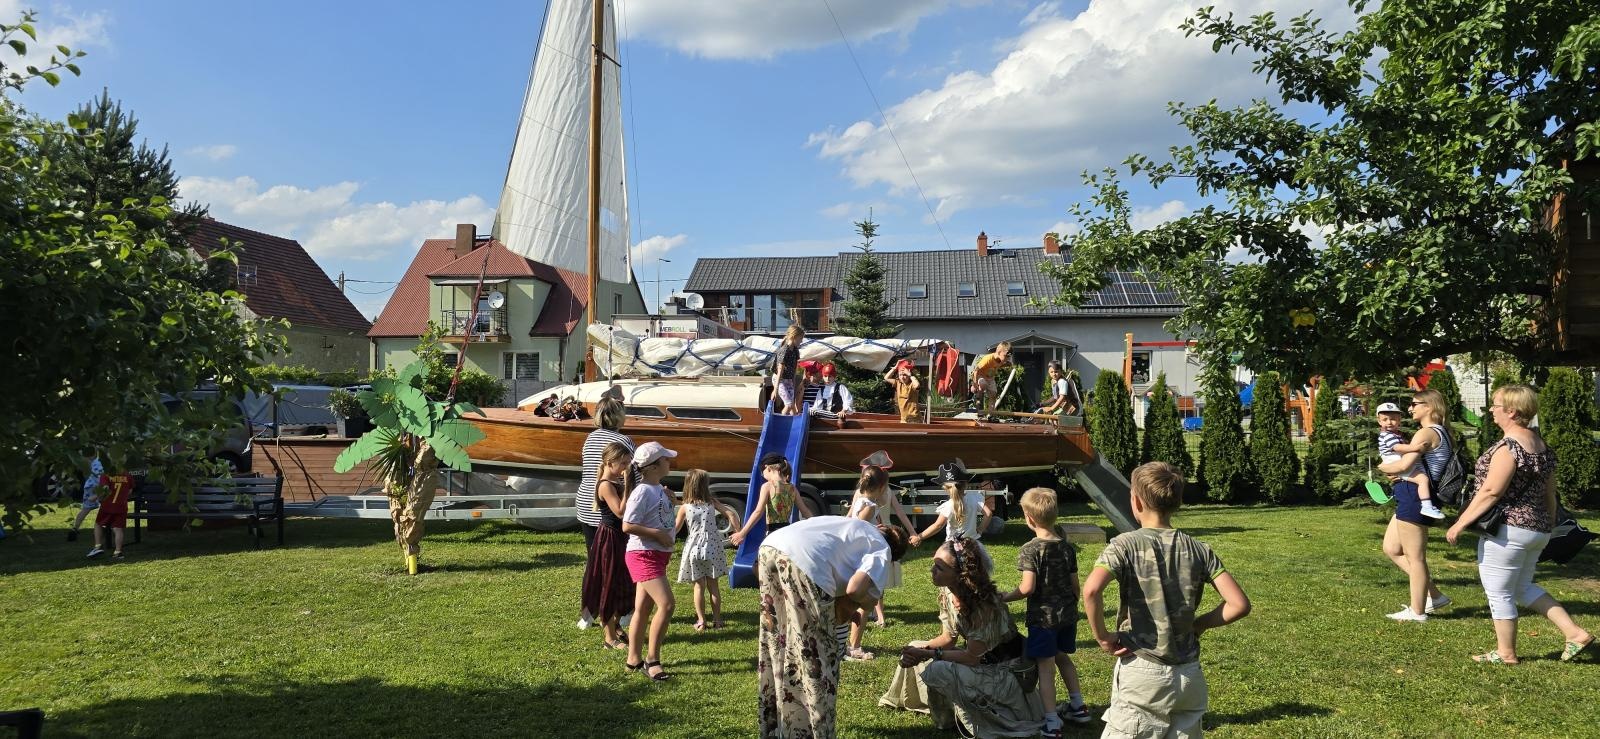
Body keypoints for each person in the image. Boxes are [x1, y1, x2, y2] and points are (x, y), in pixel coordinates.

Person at [1082, 462, 1252, 738]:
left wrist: (1102, 637)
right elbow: (1239, 605)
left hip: (1143, 672)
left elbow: (1091, 590)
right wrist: (1199, 624)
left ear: (1135, 501)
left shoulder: (1124, 544)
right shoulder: (1199, 549)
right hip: (1189, 676)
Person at [1446, 384, 1595, 664]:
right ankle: (1574, 633)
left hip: (1508, 529)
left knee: (1499, 591)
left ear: (1511, 411)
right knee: (1522, 587)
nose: (1491, 410)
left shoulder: (1509, 448)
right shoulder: (1542, 446)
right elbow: (1550, 492)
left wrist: (1459, 524)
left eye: (1496, 405)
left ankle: (1506, 653)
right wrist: (1548, 524)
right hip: (1536, 530)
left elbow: (1491, 491)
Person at [758, 515, 909, 738]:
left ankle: (774, 728)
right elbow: (855, 590)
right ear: (894, 557)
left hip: (771, 546)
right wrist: (867, 602)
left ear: (881, 526)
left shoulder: (857, 527)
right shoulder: (881, 548)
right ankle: (815, 731)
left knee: (776, 642)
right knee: (816, 659)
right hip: (806, 564)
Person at [879, 536, 1045, 737]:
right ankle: (938, 713)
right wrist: (917, 652)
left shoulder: (983, 606)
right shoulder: (948, 591)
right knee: (917, 645)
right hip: (982, 662)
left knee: (938, 668)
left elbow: (971, 658)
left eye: (940, 568)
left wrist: (931, 654)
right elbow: (948, 638)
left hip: (1004, 673)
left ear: (960, 575)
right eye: (934, 564)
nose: (932, 570)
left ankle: (953, 721)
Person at [1001, 488, 1090, 736]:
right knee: (1063, 657)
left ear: (1029, 519)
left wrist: (1005, 597)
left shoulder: (1030, 550)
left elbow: (1027, 588)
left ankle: (1051, 723)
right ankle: (1078, 707)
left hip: (1044, 619)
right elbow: (1075, 585)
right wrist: (1071, 605)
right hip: (1068, 616)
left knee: (1045, 667)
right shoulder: (1067, 547)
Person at [1378, 388, 1455, 622]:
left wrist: (1382, 468)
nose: (1410, 408)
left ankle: (1418, 611)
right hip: (1409, 492)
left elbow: (1402, 466)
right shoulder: (1438, 431)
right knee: (1391, 548)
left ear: (1429, 407)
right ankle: (1435, 595)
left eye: (1414, 404)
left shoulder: (1425, 433)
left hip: (1414, 495)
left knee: (1416, 558)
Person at [843, 464, 923, 659]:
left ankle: (847, 643)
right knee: (866, 601)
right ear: (880, 488)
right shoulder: (869, 506)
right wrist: (876, 531)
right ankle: (855, 646)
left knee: (855, 600)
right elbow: (858, 527)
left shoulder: (860, 499)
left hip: (854, 555)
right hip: (865, 556)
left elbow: (848, 522)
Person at [622, 441, 679, 681]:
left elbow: (660, 516)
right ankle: (652, 660)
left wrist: (671, 501)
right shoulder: (642, 491)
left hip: (656, 554)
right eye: (666, 459)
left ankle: (633, 658)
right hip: (643, 554)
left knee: (643, 609)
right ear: (654, 466)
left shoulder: (657, 489)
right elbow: (627, 525)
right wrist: (657, 535)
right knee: (666, 605)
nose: (670, 461)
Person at [576, 396, 633, 630]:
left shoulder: (590, 439)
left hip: (588, 505)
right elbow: (633, 475)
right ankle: (620, 610)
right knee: (617, 567)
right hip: (611, 511)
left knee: (595, 564)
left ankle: (589, 612)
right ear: (620, 416)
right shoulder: (624, 441)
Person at [675, 468, 739, 632]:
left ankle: (701, 621)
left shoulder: (685, 507)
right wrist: (738, 532)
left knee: (698, 587)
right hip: (712, 546)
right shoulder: (711, 502)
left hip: (694, 548)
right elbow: (730, 514)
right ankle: (717, 621)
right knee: (714, 587)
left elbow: (675, 529)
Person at [916, 460, 994, 571]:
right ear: (966, 483)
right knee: (974, 572)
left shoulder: (948, 506)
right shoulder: (974, 498)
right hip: (972, 545)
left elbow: (937, 526)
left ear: (946, 488)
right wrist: (980, 529)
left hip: (952, 548)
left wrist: (919, 537)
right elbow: (989, 514)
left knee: (951, 573)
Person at [1376, 401, 1445, 520]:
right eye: (1385, 419)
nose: (1389, 422)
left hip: (1396, 463)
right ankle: (1427, 506)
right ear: (1379, 421)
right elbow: (1397, 448)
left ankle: (1427, 505)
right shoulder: (1387, 435)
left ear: (1399, 420)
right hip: (1395, 462)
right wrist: (1416, 448)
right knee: (1422, 479)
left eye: (1393, 419)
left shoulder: (1395, 435)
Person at [729, 453, 807, 547]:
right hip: (787, 532)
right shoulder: (792, 488)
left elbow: (758, 512)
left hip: (773, 533)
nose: (762, 475)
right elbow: (805, 511)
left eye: (763, 472)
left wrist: (742, 533)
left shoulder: (768, 486)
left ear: (768, 468)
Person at [87, 468, 134, 560]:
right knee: (118, 529)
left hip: (107, 505)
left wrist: (95, 497)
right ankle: (118, 552)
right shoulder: (127, 474)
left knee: (98, 523)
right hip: (121, 506)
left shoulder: (106, 474)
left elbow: (105, 489)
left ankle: (98, 546)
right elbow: (130, 491)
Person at [67, 457, 104, 542]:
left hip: (89, 486)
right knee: (105, 507)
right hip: (99, 485)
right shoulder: (104, 462)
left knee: (85, 509)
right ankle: (99, 529)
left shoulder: (92, 461)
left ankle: (75, 528)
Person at [771, 324, 805, 415]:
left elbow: (794, 368)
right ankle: (781, 424)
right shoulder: (784, 350)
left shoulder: (795, 350)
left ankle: (794, 422)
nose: (801, 341)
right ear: (794, 337)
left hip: (788, 380)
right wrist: (775, 389)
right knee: (789, 404)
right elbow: (780, 370)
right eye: (800, 339)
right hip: (780, 380)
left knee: (792, 405)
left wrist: (793, 383)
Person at [970, 342, 1012, 411]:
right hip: (981, 376)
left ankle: (991, 414)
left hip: (990, 379)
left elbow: (997, 366)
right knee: (983, 385)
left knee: (993, 395)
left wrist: (1006, 365)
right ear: (998, 352)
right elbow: (976, 370)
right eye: (1006, 356)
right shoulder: (988, 359)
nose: (1006, 359)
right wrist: (974, 384)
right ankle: (977, 403)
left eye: (1008, 357)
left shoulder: (1001, 360)